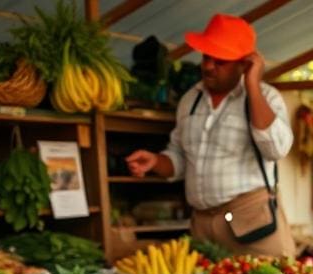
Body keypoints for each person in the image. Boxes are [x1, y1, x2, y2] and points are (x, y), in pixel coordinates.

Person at [125, 14, 295, 256]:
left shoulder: (266, 98)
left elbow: (276, 149)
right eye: (206, 57)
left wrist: (253, 86)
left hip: (253, 223)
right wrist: (156, 162)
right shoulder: (190, 100)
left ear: (244, 63)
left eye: (220, 61)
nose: (208, 66)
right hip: (203, 226)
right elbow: (181, 160)